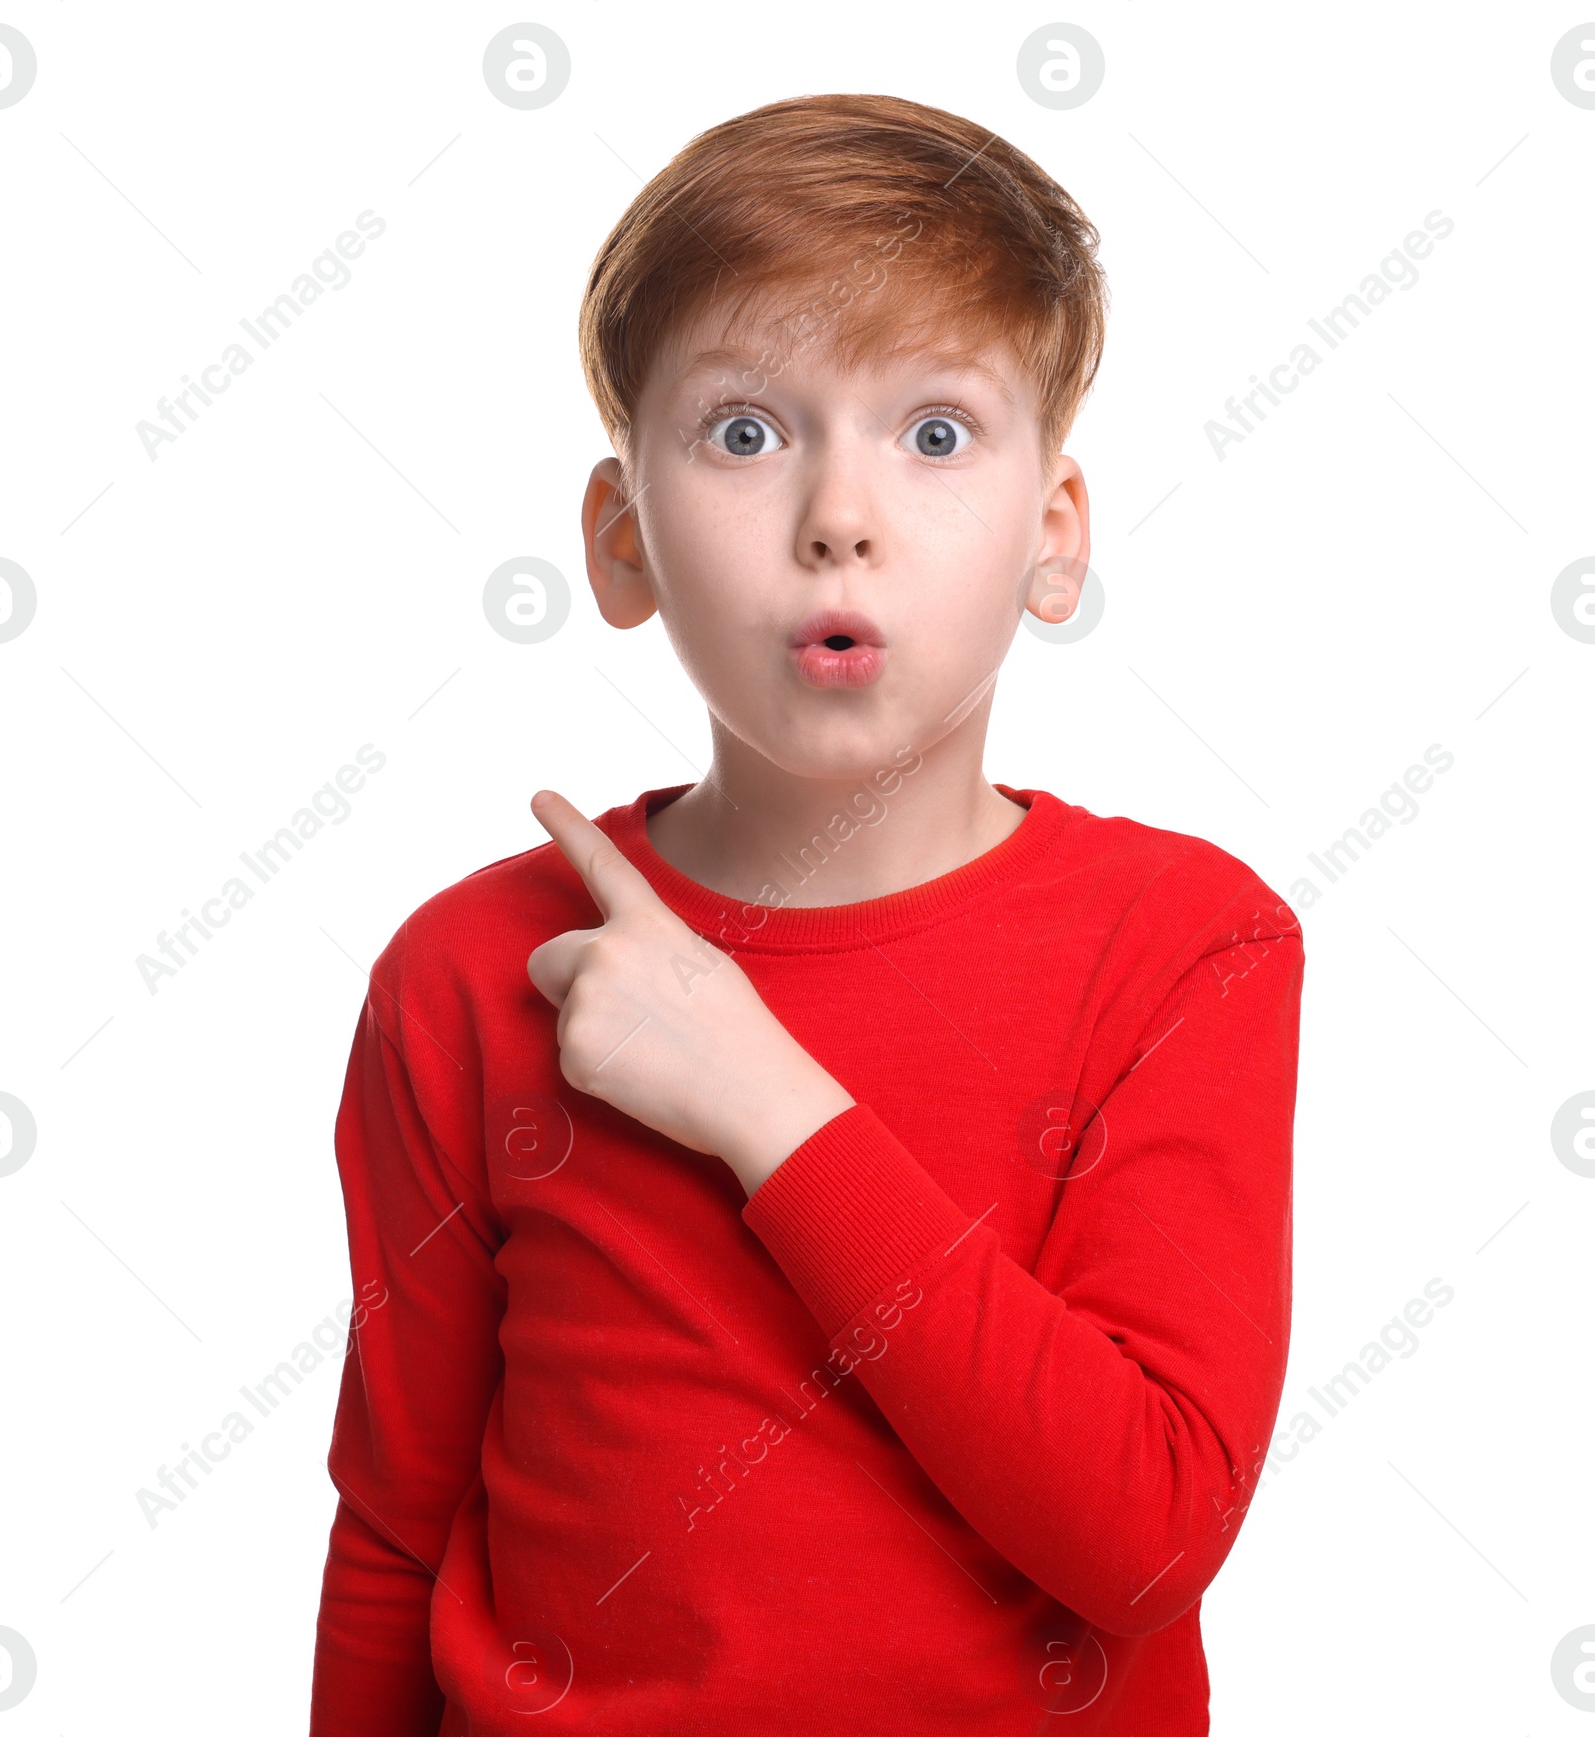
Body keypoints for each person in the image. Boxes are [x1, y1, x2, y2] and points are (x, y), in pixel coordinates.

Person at [309, 92, 1304, 1736]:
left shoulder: (1189, 943)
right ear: (624, 542)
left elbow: (1146, 1534)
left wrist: (759, 1094)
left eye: (932, 433)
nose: (839, 516)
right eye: (748, 432)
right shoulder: (470, 973)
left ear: (1053, 541)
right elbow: (394, 1537)